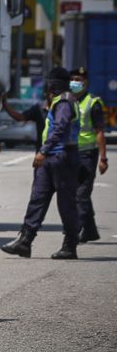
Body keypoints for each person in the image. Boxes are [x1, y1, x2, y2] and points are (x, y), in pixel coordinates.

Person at [1, 67, 82, 260]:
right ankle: (25, 242)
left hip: (62, 157)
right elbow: (23, 117)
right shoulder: (53, 102)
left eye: (50, 82)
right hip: (49, 159)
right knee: (37, 199)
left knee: (66, 204)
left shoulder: (65, 102)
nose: (48, 86)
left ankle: (70, 245)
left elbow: (61, 127)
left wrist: (43, 151)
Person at [70, 66, 108, 242]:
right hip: (71, 153)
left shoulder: (93, 103)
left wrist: (103, 158)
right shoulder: (67, 101)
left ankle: (77, 230)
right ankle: (90, 230)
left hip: (87, 154)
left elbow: (99, 131)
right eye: (74, 78)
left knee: (81, 195)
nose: (77, 82)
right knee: (77, 194)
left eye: (80, 79)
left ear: (86, 82)